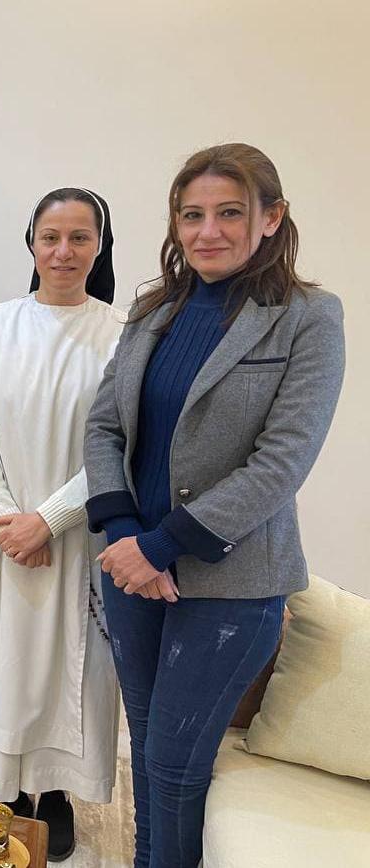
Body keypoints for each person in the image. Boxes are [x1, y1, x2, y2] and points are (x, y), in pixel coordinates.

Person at [84, 143, 345, 867]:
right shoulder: (153, 309)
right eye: (191, 215)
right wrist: (127, 535)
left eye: (229, 213)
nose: (207, 231)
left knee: (175, 766)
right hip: (132, 569)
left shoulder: (308, 317)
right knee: (146, 748)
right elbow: (104, 426)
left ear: (272, 217)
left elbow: (282, 462)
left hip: (230, 585)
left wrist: (161, 546)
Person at [0, 188, 122, 860]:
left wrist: (47, 521)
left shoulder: (123, 335)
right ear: (32, 243)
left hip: (74, 538)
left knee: (67, 669)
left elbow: (120, 446)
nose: (63, 251)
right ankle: (6, 790)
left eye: (80, 237)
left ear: (99, 247)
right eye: (51, 236)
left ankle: (56, 794)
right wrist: (6, 519)